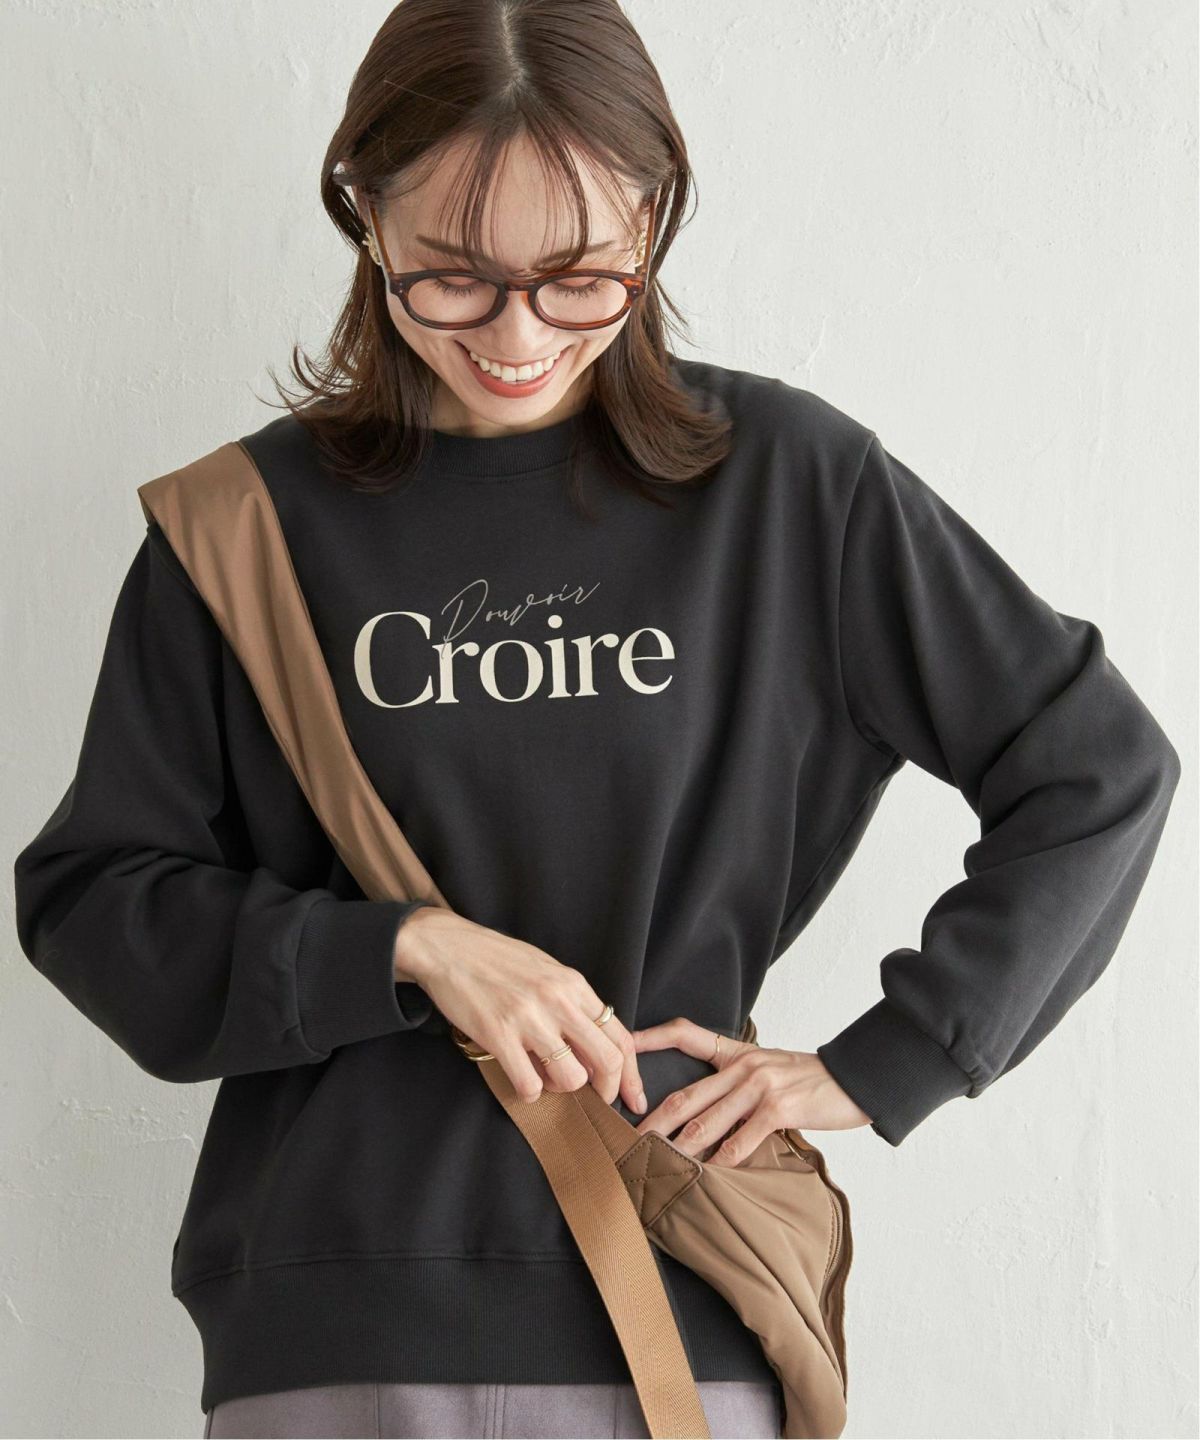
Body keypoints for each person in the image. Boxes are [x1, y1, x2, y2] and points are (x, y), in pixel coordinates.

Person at [12, 2, 1181, 1438]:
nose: (517, 337)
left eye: (580, 280)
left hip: (676, 1293)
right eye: (450, 277)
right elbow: (94, 901)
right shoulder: (241, 531)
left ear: (653, 220)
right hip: (338, 1318)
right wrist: (405, 949)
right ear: (364, 214)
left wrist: (891, 1061)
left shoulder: (786, 490)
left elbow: (1096, 765)